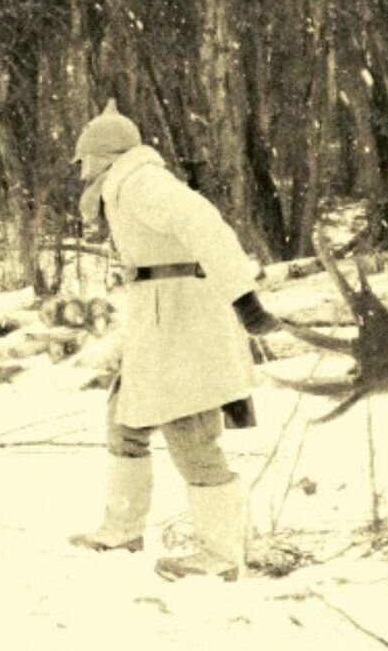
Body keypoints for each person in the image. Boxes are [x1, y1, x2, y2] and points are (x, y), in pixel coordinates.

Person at [68, 100, 278, 581]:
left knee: (190, 436)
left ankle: (222, 557)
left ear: (106, 155)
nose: (81, 174)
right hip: (158, 321)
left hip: (183, 326)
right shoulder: (125, 185)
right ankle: (122, 529)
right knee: (124, 422)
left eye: (85, 162)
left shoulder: (143, 184)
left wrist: (244, 298)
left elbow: (206, 227)